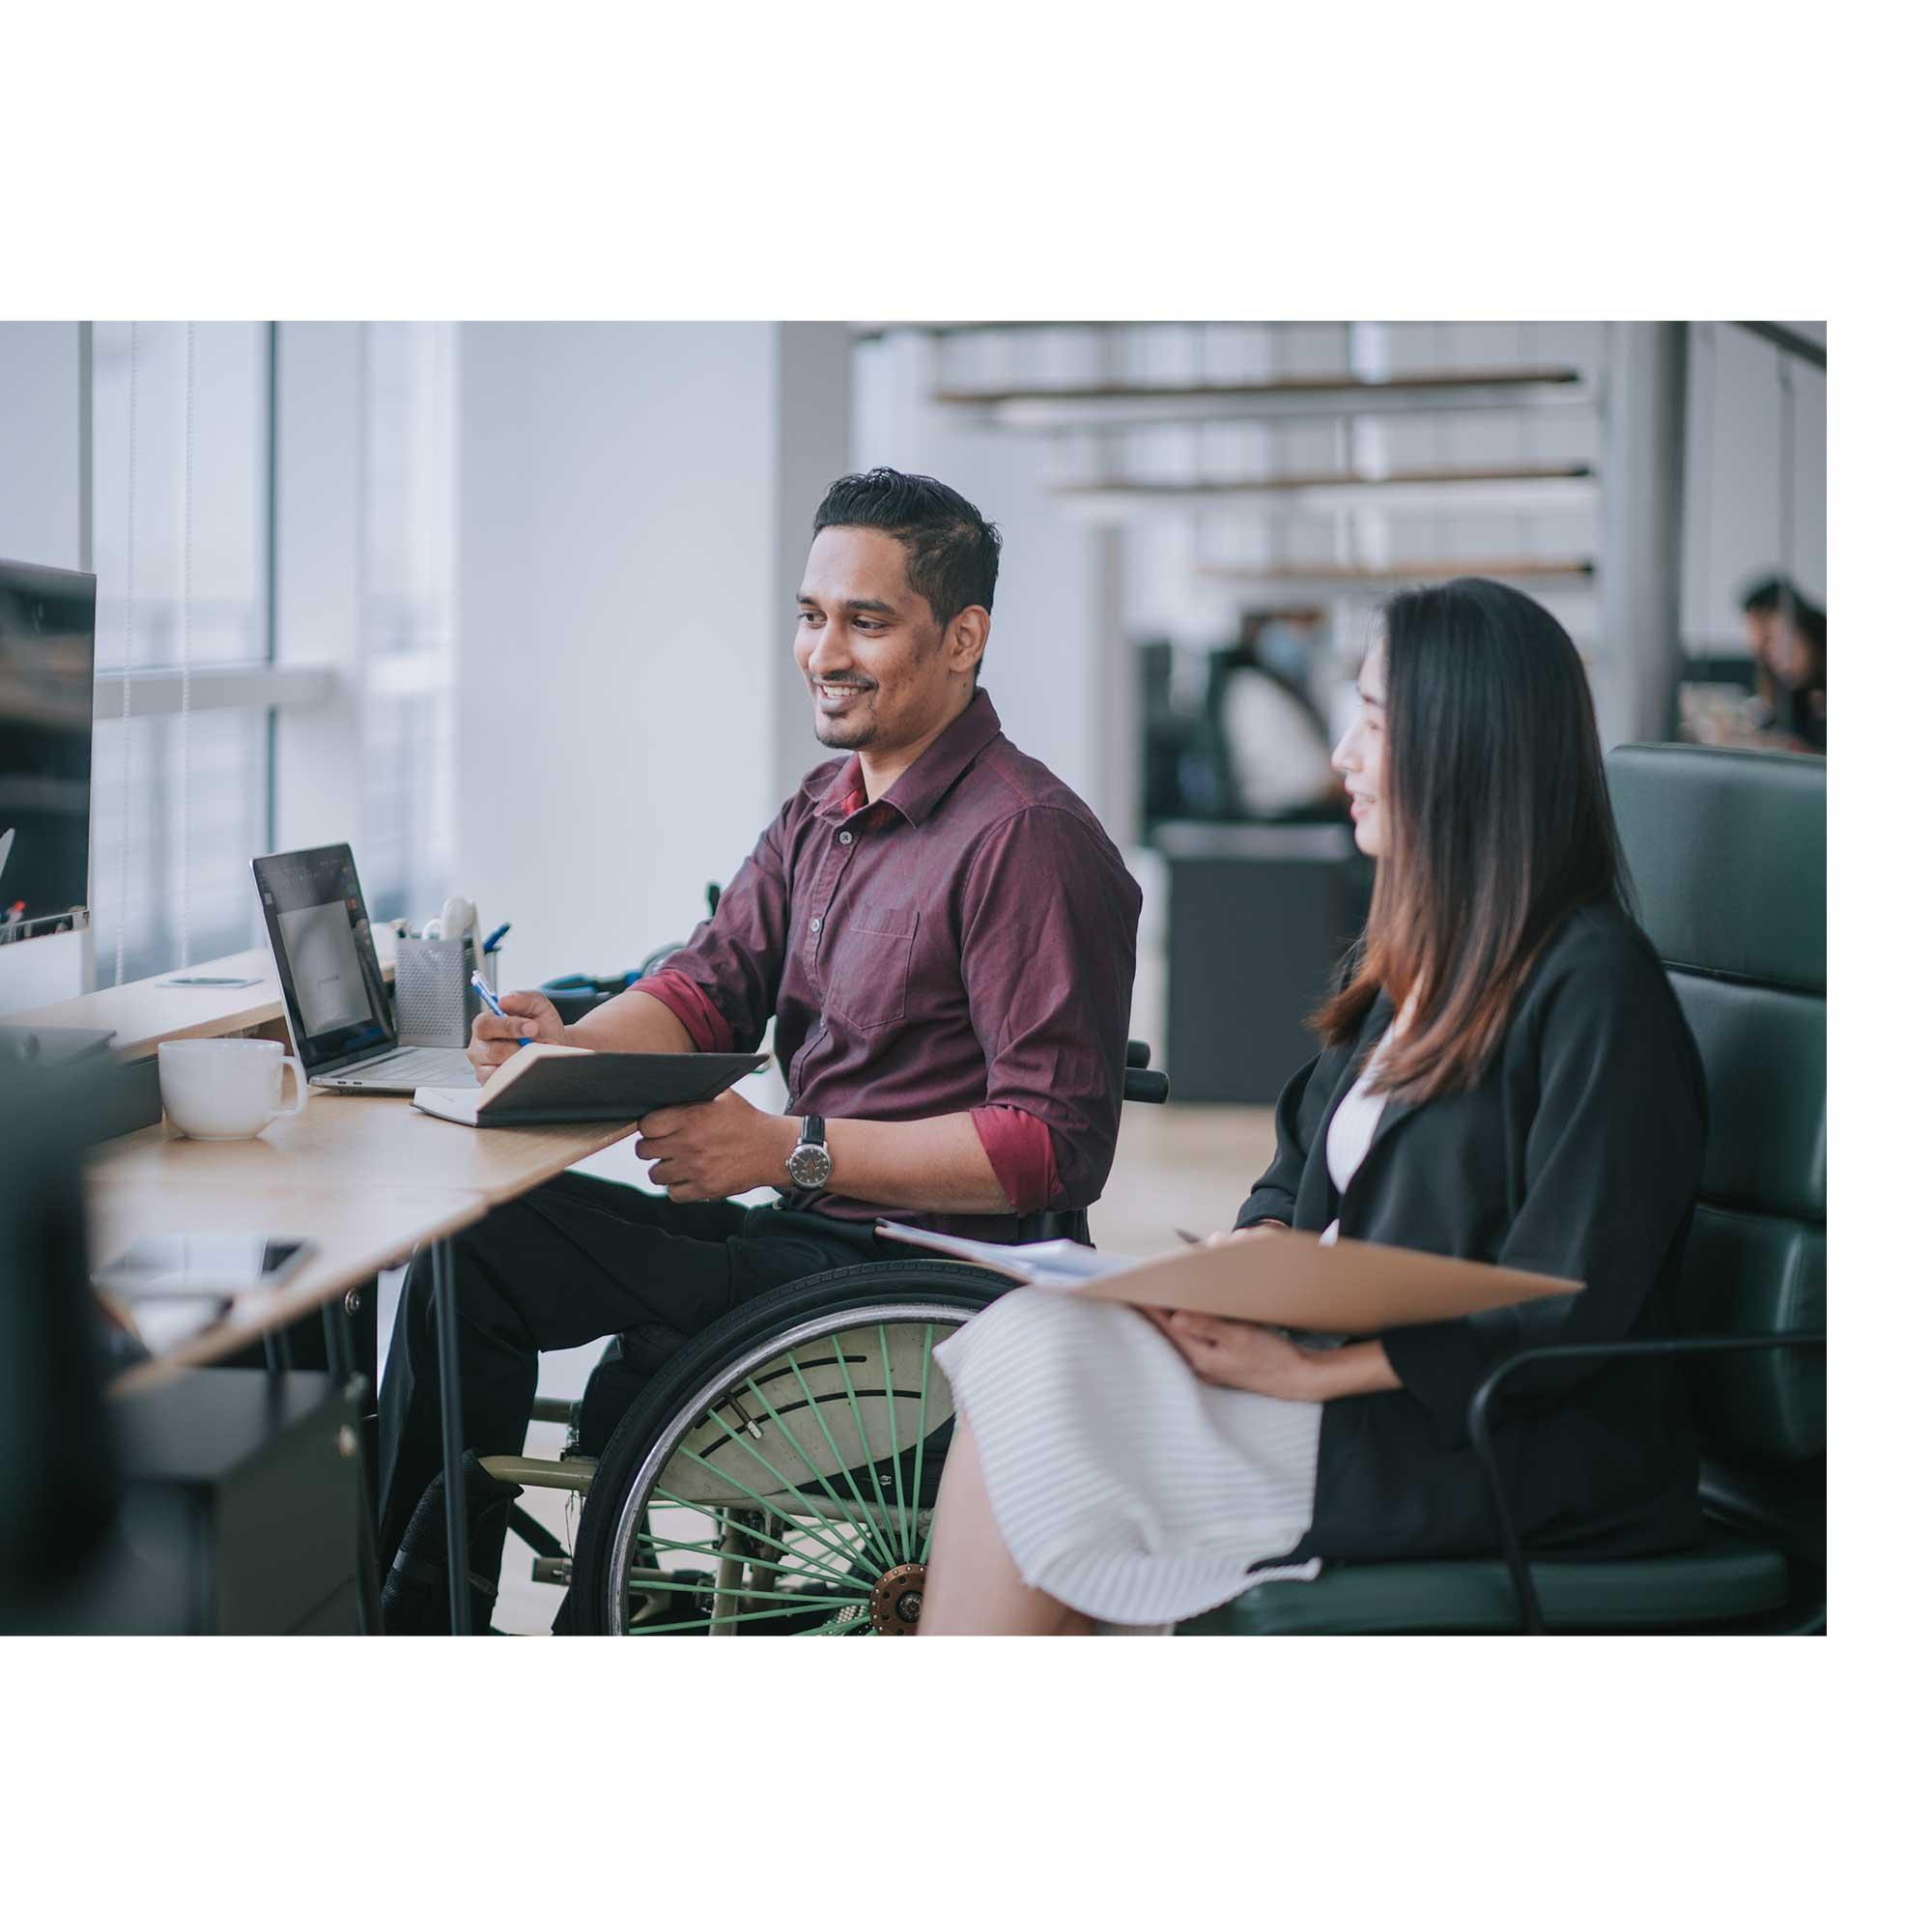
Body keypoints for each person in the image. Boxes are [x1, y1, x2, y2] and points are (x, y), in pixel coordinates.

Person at [377, 468, 1142, 1631]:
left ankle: (422, 1618)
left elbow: (1052, 1147)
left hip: (912, 1293)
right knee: (468, 1241)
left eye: (865, 621)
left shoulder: (1026, 840)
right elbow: (704, 986)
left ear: (962, 637)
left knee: (494, 1257)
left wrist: (786, 1150)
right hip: (799, 1246)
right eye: (810, 613)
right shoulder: (821, 807)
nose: (823, 651)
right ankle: (421, 1617)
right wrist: (568, 1045)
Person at [920, 577, 1708, 1635]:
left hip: (1488, 1434)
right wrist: (1245, 1264)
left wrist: (1307, 1369)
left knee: (1052, 1388)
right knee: (1036, 1334)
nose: (1339, 753)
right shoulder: (1411, 969)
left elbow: (1563, 1303)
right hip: (1349, 1385)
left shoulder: (1594, 987)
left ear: (1462, 746)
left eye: (1373, 718)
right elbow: (1298, 1166)